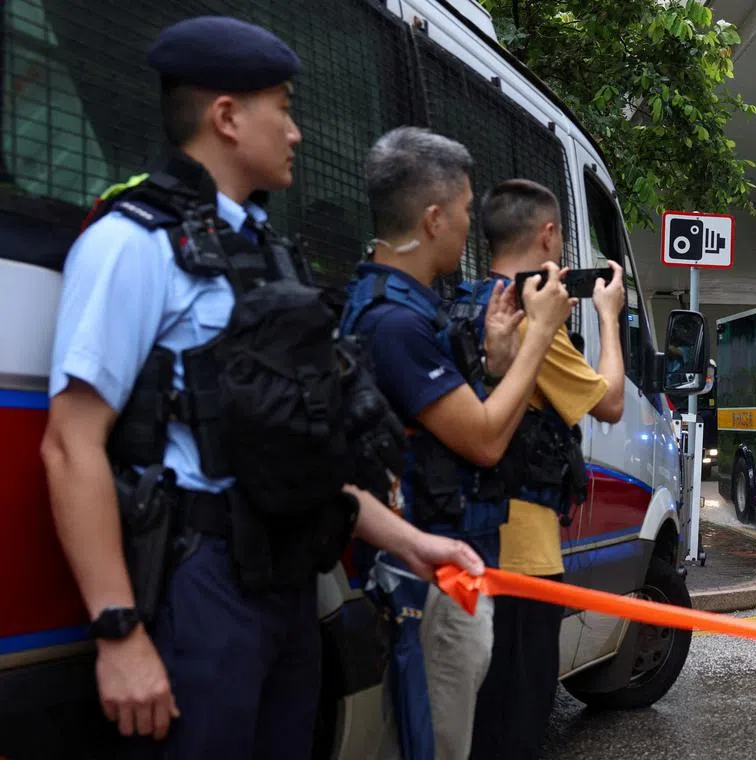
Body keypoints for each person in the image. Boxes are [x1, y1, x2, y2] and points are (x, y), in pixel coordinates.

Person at [38, 17, 481, 760]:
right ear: (226, 118)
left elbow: (306, 458)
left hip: (286, 584)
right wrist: (118, 631)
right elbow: (69, 445)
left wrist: (414, 544)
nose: (297, 132)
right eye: (283, 107)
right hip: (200, 586)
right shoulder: (132, 242)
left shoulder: (272, 257)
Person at [341, 128, 572, 760]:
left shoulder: (417, 310)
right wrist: (538, 335)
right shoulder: (394, 321)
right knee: (439, 742)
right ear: (434, 218)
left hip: (445, 561)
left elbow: (452, 420)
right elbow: (485, 442)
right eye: (467, 210)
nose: (473, 225)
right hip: (426, 574)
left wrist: (496, 364)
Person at [466, 178, 626, 760]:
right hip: (523, 554)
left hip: (469, 541)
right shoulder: (536, 318)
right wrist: (609, 317)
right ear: (549, 234)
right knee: (516, 717)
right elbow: (609, 401)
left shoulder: (471, 300)